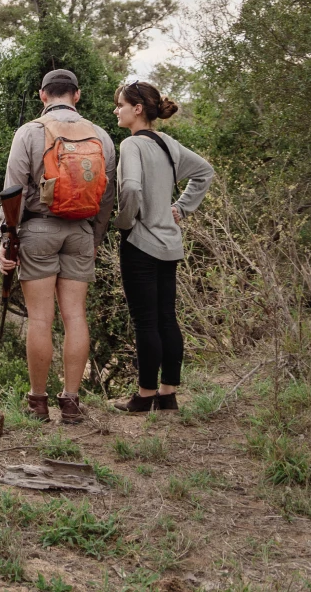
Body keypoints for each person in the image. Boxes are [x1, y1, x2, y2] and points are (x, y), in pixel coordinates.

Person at [0, 69, 116, 425]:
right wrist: (94, 240)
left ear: (42, 95)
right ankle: (72, 402)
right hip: (81, 232)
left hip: (37, 231)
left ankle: (37, 402)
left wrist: (6, 242)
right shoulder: (102, 136)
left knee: (40, 318)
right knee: (75, 316)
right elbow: (108, 197)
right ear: (76, 96)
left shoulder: (29, 132)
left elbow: (12, 192)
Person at [111, 81, 214, 413]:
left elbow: (129, 190)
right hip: (170, 243)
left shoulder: (132, 146)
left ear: (137, 109)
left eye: (120, 105)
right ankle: (167, 395)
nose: (117, 110)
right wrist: (181, 208)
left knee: (145, 322)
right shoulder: (168, 143)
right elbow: (204, 171)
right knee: (167, 318)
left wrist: (124, 223)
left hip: (140, 243)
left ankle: (144, 396)